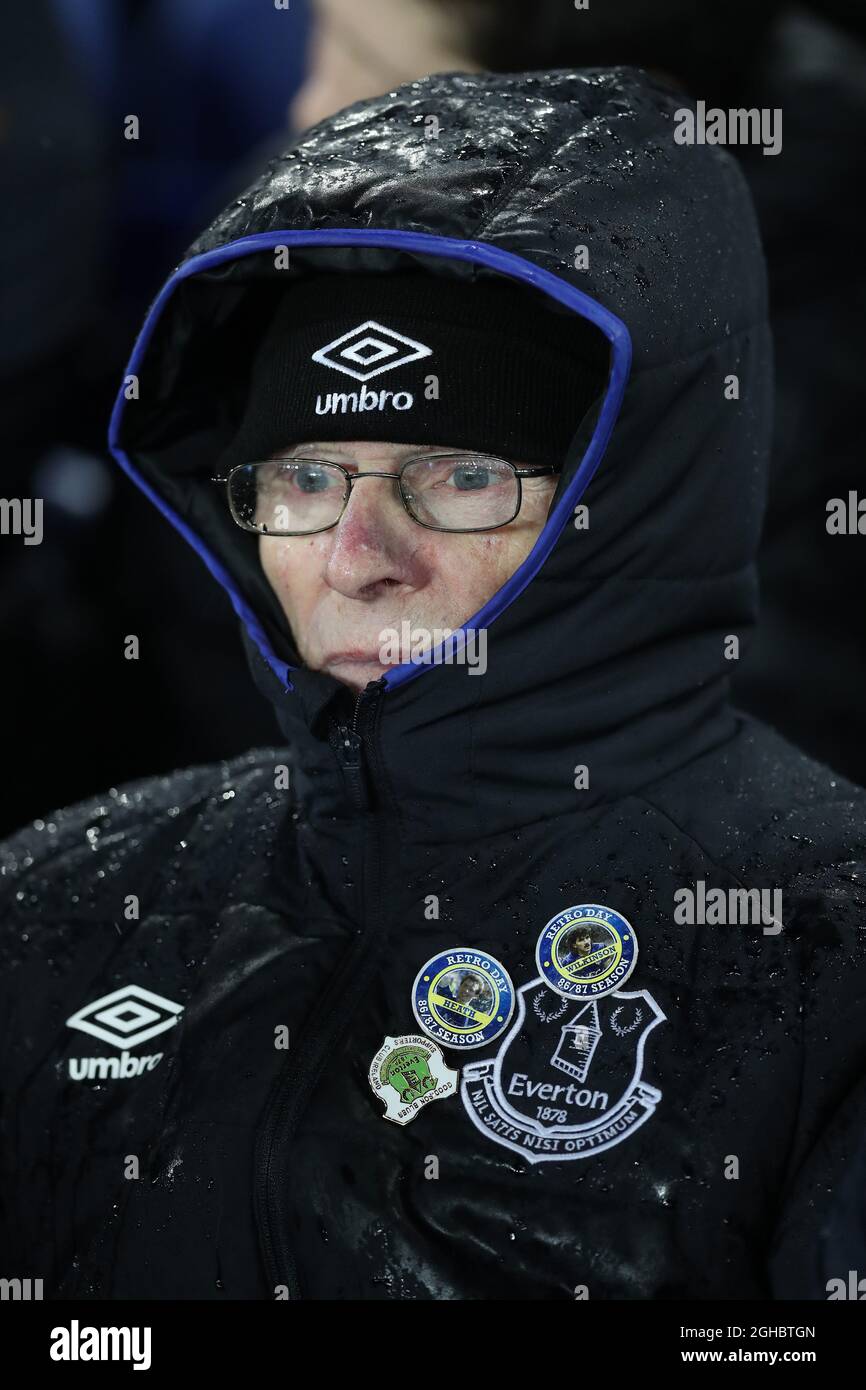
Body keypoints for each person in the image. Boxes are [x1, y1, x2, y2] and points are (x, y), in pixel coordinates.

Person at [1, 66, 865, 1302]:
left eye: (458, 476)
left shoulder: (821, 963)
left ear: (630, 498)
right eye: (302, 480)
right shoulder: (64, 897)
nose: (356, 560)